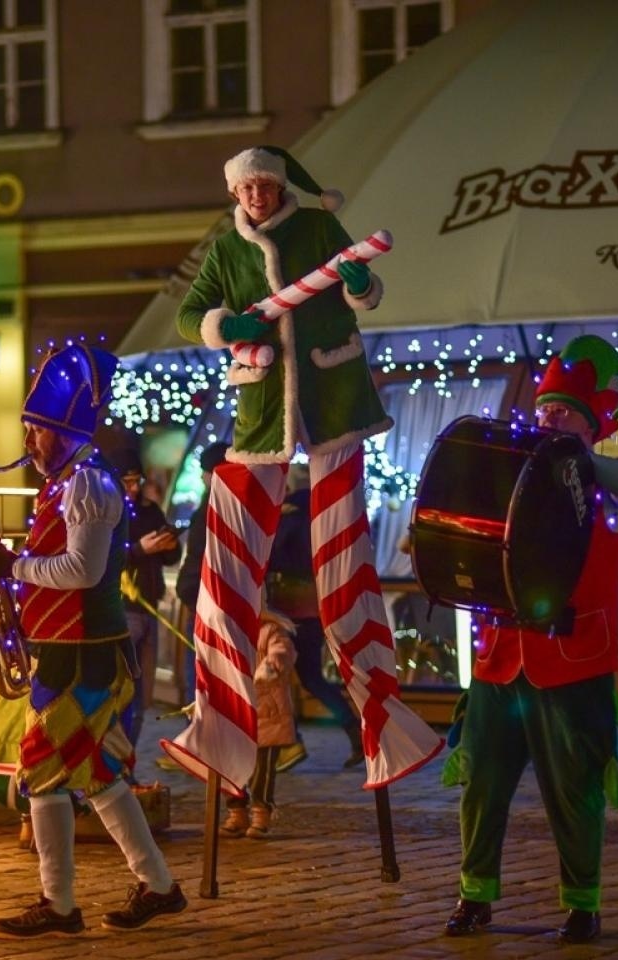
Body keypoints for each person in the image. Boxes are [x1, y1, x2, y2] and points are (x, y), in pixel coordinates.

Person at [166, 144, 440, 797]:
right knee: (233, 544)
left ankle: (379, 715)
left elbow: (368, 289)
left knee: (346, 553)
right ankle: (218, 727)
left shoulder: (317, 227)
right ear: (235, 194)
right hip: (263, 410)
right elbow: (189, 313)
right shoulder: (227, 249)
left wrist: (357, 283)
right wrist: (217, 324)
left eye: (264, 185)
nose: (256, 196)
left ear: (277, 185)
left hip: (329, 394)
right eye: (247, 188)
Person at [442, 336, 618, 945]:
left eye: (563, 412)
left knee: (575, 789)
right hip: (500, 659)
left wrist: (575, 456)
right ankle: (474, 896)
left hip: (571, 662)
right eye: (545, 409)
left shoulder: (606, 484)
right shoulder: (514, 474)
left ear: (590, 424)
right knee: (481, 783)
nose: (547, 418)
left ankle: (583, 904)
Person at [0, 341, 186, 937]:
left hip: (84, 658)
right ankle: (159, 887)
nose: (27, 444)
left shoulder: (88, 488)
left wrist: (12, 569)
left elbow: (83, 573)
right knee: (96, 776)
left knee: (40, 769)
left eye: (36, 431)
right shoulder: (65, 485)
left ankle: (60, 904)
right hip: (68, 653)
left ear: (64, 430)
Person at [266, 475, 364, 770]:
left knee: (276, 678)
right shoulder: (319, 518)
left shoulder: (291, 519)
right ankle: (351, 730)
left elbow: (274, 558)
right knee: (310, 678)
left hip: (291, 609)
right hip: (311, 607)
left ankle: (288, 742)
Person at [118, 457, 181, 749]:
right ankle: (115, 765)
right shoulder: (113, 512)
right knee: (122, 693)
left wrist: (170, 546)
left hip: (149, 609)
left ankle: (127, 762)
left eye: (137, 481)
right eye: (127, 482)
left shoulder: (150, 510)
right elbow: (109, 556)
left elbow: (170, 558)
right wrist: (140, 549)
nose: (133, 488)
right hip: (124, 610)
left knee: (142, 697)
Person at [222, 608, 297, 838]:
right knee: (230, 767)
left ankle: (261, 812)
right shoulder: (229, 631)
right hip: (235, 711)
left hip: (267, 716)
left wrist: (271, 664)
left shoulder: (270, 631)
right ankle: (237, 812)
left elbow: (283, 651)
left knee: (261, 771)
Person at [173, 439, 232, 708]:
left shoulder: (211, 508)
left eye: (205, 470)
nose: (201, 476)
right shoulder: (232, 507)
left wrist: (187, 587)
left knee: (198, 669)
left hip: (203, 596)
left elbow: (198, 554)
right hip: (213, 595)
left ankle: (198, 726)